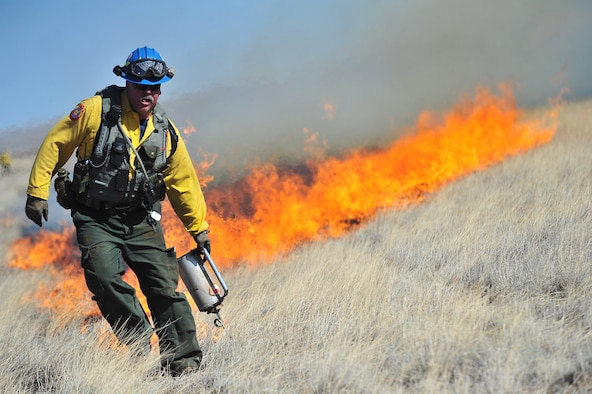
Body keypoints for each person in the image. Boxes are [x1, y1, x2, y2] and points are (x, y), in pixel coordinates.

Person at [25, 46, 210, 376]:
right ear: (126, 82)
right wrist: (37, 192)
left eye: (155, 88)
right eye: (141, 86)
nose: (148, 94)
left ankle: (183, 367)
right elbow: (55, 144)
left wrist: (200, 229)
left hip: (142, 220)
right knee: (105, 278)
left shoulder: (165, 130)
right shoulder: (94, 110)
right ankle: (138, 339)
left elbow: (183, 182)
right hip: (95, 218)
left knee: (164, 289)